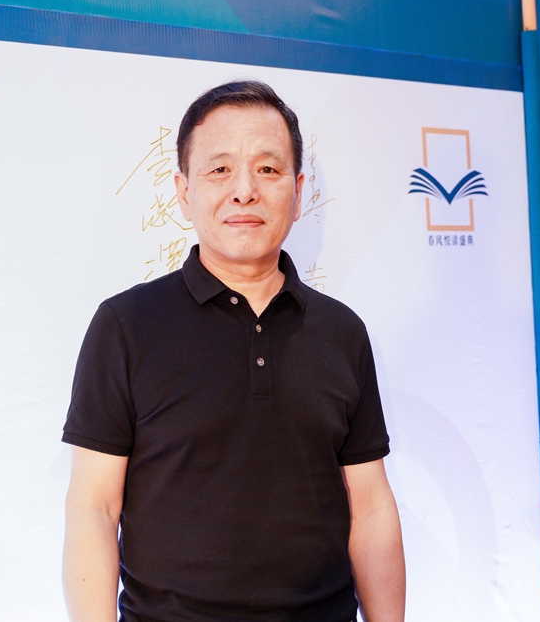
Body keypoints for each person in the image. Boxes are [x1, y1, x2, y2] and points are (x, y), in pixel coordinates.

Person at [61, 80, 405, 622]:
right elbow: (94, 508)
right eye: (219, 169)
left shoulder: (342, 332)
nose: (244, 190)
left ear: (298, 190)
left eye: (267, 169)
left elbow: (371, 506)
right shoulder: (125, 326)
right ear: (183, 191)